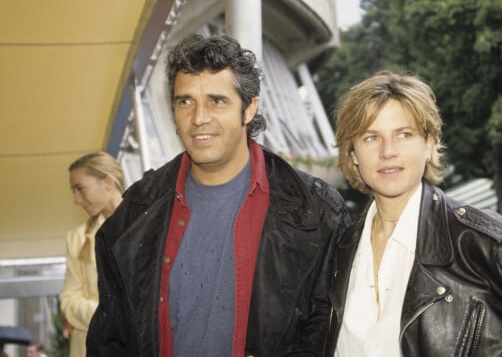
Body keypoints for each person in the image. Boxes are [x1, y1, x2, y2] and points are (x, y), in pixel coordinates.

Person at [86, 33, 350, 357]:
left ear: (249, 108)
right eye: (185, 101)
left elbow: (325, 337)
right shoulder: (132, 216)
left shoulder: (317, 214)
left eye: (217, 100)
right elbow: (110, 341)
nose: (199, 118)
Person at [326, 70, 502, 356]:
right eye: (371, 137)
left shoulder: (484, 244)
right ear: (353, 154)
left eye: (404, 134)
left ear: (430, 144)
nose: (388, 151)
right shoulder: (338, 249)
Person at [59, 152, 124, 357]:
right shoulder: (77, 238)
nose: (77, 200)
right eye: (73, 192)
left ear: (108, 182)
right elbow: (68, 299)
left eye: (80, 189)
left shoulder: (148, 227)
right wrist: (112, 315)